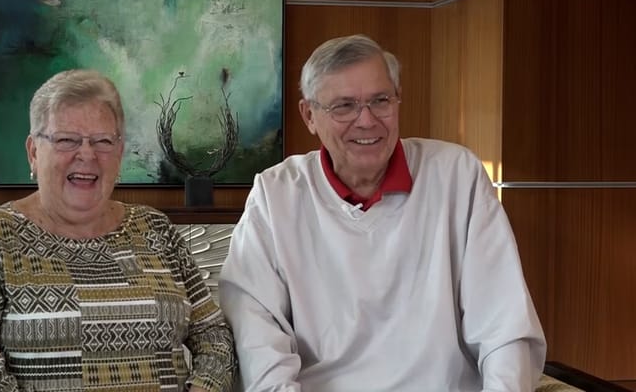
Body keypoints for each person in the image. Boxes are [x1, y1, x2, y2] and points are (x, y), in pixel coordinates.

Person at [218, 35, 546, 391]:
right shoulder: (275, 194)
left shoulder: (456, 175)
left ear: (398, 100)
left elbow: (505, 326)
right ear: (309, 115)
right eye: (344, 106)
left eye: (380, 100)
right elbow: (258, 337)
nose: (367, 120)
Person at [0, 69, 236, 392]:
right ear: (34, 152)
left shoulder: (157, 230)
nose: (87, 155)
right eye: (67, 139)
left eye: (102, 141)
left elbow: (214, 337)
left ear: (119, 153)